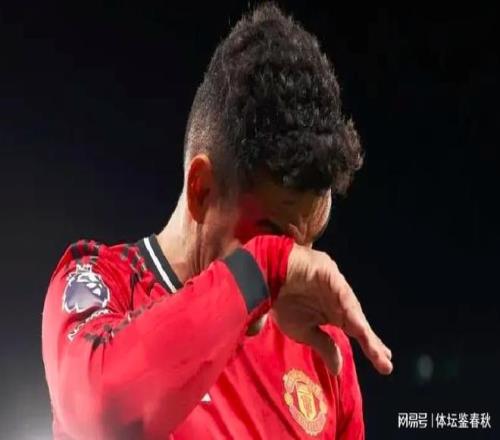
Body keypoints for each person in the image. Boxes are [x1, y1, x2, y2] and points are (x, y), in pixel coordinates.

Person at [42, 4, 392, 439]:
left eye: (309, 241)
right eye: (275, 237)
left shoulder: (321, 349)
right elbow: (101, 412)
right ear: (202, 189)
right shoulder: (101, 281)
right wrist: (263, 267)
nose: (297, 262)